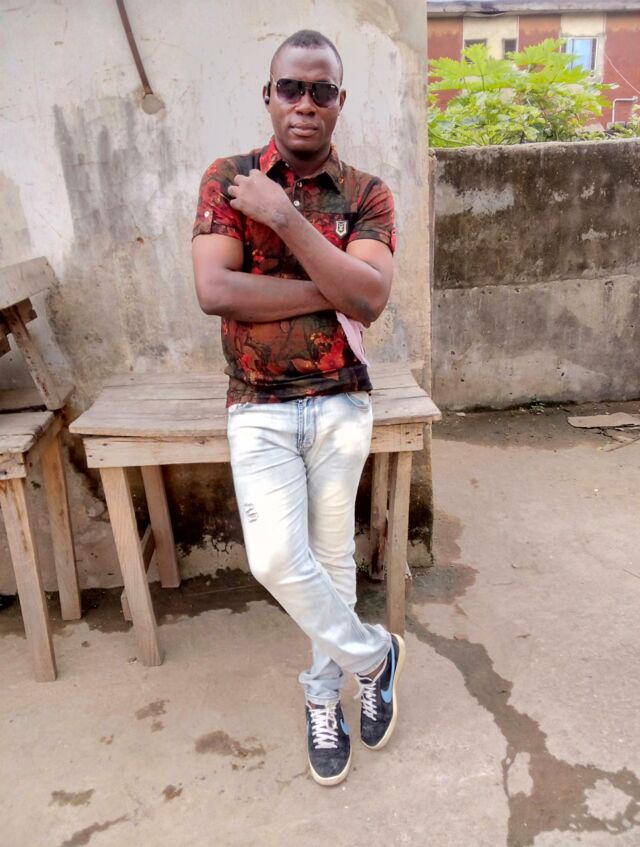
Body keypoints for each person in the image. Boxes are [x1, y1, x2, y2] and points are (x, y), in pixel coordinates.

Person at [191, 29, 404, 787]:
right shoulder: (229, 178)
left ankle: (323, 695)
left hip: (341, 399)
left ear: (340, 102)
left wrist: (284, 219)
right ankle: (375, 656)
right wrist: (334, 283)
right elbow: (216, 290)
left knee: (333, 557)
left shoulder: (368, 193)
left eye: (321, 90)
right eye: (291, 88)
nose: (305, 104)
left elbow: (370, 299)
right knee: (278, 559)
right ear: (269, 95)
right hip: (257, 405)